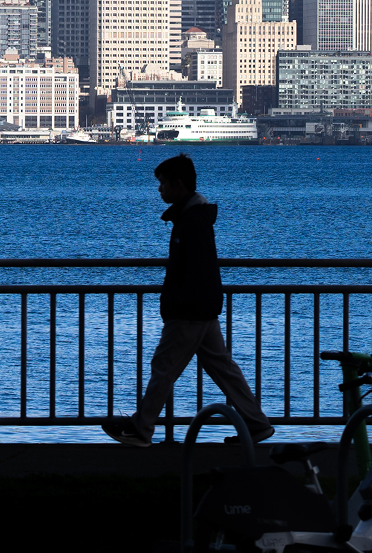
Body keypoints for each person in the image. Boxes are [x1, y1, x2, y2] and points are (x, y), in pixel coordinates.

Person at [101, 153, 274, 447]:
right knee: (223, 369)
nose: (159, 190)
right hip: (203, 307)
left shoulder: (191, 221)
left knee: (164, 366)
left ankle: (141, 428)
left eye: (163, 184)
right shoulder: (195, 217)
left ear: (178, 185)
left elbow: (191, 268)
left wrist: (175, 303)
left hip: (189, 310)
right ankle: (257, 424)